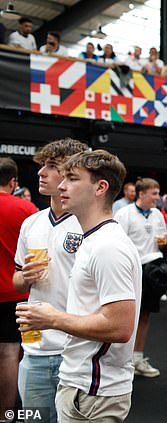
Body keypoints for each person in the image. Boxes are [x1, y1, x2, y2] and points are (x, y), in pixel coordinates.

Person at [16, 149, 142, 422]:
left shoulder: (108, 246)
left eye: (72, 178)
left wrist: (52, 318)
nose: (61, 184)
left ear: (100, 187)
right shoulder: (94, 239)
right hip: (76, 378)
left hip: (93, 388)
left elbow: (120, 327)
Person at [114, 178, 167, 378]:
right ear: (141, 193)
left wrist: (163, 243)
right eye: (154, 193)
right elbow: (117, 243)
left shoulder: (157, 215)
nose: (157, 197)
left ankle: (137, 358)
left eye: (158, 193)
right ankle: (119, 361)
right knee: (124, 315)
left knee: (145, 314)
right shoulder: (124, 213)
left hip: (152, 269)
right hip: (129, 270)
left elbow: (162, 241)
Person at [0, 157, 38, 421]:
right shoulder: (28, 210)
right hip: (15, 294)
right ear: (13, 182)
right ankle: (6, 415)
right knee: (10, 353)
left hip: (15, 293)